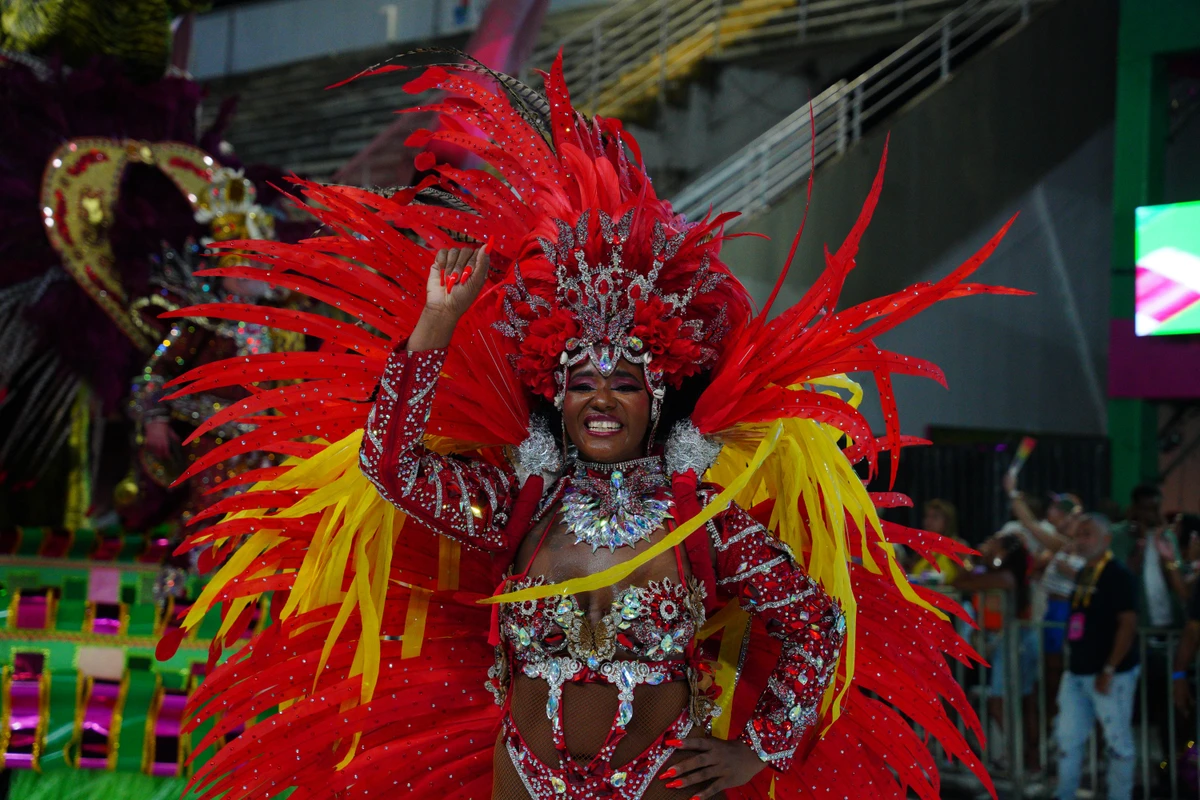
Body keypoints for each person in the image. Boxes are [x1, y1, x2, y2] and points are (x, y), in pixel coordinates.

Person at [154, 55, 1018, 799]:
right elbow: (390, 465)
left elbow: (816, 622)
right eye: (581, 382)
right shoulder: (516, 503)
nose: (601, 398)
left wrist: (757, 750)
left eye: (625, 382)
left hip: (661, 782)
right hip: (524, 774)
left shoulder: (704, 518)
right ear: (554, 395)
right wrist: (436, 326)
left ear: (658, 398)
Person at [1054, 514, 1139, 800]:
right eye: (1078, 534)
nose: (1080, 540)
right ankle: (1064, 794)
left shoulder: (1118, 574)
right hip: (1077, 672)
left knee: (1118, 744)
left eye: (1087, 534)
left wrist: (1110, 668)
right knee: (1067, 740)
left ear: (1106, 539)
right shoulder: (1084, 572)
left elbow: (1127, 624)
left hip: (1109, 674)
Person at [952, 532, 1040, 772]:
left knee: (1007, 701)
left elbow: (959, 582)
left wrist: (974, 558)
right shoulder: (994, 574)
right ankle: (1023, 757)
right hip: (1008, 641)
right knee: (1018, 701)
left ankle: (1022, 757)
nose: (988, 548)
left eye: (995, 547)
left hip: (1016, 641)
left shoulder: (1005, 576)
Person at [907, 499, 966, 584]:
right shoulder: (921, 547)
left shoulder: (956, 546)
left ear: (947, 522)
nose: (928, 521)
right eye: (927, 516)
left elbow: (966, 577)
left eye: (935, 517)